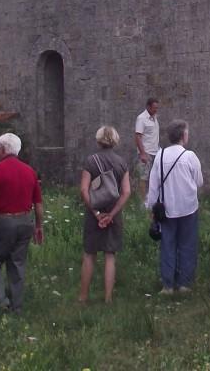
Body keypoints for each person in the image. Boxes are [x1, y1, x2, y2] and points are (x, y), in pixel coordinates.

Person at [0, 133, 44, 313]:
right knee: (17, 263)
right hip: (25, 221)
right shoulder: (30, 171)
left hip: (3, 221)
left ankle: (0, 302)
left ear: (3, 149)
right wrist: (38, 226)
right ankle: (17, 306)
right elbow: (38, 204)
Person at [146, 120, 203, 295]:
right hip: (188, 207)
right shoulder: (190, 156)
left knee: (167, 245)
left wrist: (151, 207)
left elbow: (153, 184)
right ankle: (184, 283)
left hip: (166, 209)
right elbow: (199, 181)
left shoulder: (160, 156)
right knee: (187, 245)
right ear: (183, 136)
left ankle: (168, 285)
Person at [78, 125, 131, 304]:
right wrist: (112, 214)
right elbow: (126, 192)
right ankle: (108, 298)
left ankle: (83, 297)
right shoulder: (122, 162)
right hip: (113, 214)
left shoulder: (90, 161)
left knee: (89, 254)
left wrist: (96, 212)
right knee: (110, 256)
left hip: (94, 213)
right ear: (115, 140)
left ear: (98, 140)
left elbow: (84, 190)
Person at [134, 97, 161, 201]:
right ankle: (142, 203)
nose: (156, 110)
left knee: (154, 178)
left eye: (157, 108)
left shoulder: (154, 117)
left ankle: (152, 200)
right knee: (143, 178)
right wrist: (142, 153)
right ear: (148, 107)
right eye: (154, 108)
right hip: (146, 154)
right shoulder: (141, 118)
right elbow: (137, 136)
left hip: (156, 153)